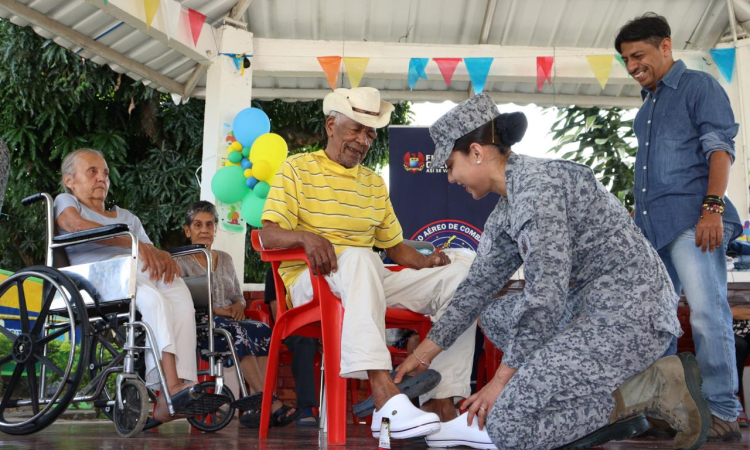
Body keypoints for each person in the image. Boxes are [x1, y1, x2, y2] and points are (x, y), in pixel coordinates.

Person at [395, 93, 711, 450]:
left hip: (630, 316)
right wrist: (421, 357)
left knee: (507, 427)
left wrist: (501, 383)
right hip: (588, 312)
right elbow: (475, 289)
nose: (450, 178)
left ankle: (647, 387)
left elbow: (544, 297)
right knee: (495, 315)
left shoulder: (537, 190)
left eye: (451, 165)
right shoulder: (509, 206)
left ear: (477, 152)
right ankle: (565, 387)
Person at [259, 86, 476, 440]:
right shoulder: (296, 169)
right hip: (312, 282)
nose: (363, 140)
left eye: (370, 132)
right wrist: (305, 237)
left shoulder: (373, 183)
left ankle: (441, 403)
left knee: (464, 277)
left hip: (365, 277)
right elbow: (267, 236)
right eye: (355, 129)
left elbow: (394, 249)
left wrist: (430, 261)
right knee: (360, 257)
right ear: (331, 126)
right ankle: (382, 392)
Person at [616, 13, 743, 441]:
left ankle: (723, 409)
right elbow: (654, 172)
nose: (632, 66)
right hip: (653, 230)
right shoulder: (648, 105)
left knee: (707, 315)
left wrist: (712, 208)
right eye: (626, 60)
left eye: (638, 55)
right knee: (658, 322)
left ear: (666, 47)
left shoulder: (699, 87)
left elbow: (719, 151)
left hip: (694, 222)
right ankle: (670, 408)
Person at [53, 148, 224, 423]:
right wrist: (133, 244)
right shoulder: (66, 201)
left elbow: (150, 251)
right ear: (70, 180)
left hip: (137, 273)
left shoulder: (126, 216)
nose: (102, 178)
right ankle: (169, 387)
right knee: (153, 299)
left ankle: (181, 384)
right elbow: (75, 226)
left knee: (179, 292)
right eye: (93, 171)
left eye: (105, 173)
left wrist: (160, 255)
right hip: (98, 279)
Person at [176, 201, 301, 427]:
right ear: (188, 231)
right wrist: (219, 310)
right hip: (202, 323)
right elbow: (182, 298)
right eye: (197, 225)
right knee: (238, 333)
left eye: (209, 224)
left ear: (215, 229)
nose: (204, 230)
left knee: (262, 329)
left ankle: (258, 401)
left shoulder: (224, 258)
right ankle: (269, 403)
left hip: (230, 320)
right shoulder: (179, 260)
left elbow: (237, 294)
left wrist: (239, 306)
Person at [264, 268, 320, 426]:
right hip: (292, 327)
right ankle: (306, 407)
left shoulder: (315, 265)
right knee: (304, 341)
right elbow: (278, 314)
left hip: (319, 324)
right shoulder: (275, 270)